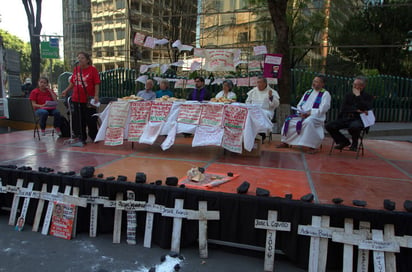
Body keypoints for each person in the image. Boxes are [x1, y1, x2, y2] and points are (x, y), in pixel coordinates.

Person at [277, 75, 331, 153]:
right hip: (303, 115)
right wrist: (301, 111)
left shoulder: (325, 94)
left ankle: (313, 146)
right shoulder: (308, 92)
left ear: (322, 84)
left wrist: (310, 113)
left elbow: (324, 108)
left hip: (316, 117)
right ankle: (286, 142)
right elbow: (300, 104)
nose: (314, 83)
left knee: (308, 122)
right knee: (289, 120)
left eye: (316, 81)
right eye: (314, 81)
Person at [62, 52, 100, 146]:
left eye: (82, 58)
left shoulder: (93, 70)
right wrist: (66, 90)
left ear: (87, 60)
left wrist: (96, 95)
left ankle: (93, 135)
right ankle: (81, 137)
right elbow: (72, 82)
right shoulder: (76, 69)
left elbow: (96, 83)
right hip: (77, 98)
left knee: (91, 119)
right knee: (79, 119)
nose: (80, 60)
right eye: (78, 58)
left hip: (88, 100)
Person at [326, 76, 373, 151]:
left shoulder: (368, 96)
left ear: (363, 86)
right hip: (346, 117)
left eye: (356, 85)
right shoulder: (348, 95)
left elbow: (366, 107)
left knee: (354, 127)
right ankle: (343, 141)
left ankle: (354, 144)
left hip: (359, 119)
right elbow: (343, 108)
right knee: (329, 125)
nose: (354, 86)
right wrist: (356, 110)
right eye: (354, 84)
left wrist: (358, 96)